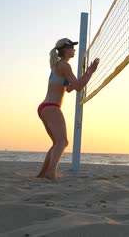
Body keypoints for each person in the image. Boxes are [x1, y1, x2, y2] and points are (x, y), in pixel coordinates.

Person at [36, 38, 99, 180]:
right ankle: (51, 172)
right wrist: (90, 72)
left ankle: (42, 174)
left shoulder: (58, 65)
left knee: (56, 143)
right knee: (63, 142)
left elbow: (70, 88)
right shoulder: (64, 65)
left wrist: (88, 72)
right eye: (72, 47)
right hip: (51, 107)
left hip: (45, 107)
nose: (74, 49)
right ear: (66, 49)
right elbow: (78, 87)